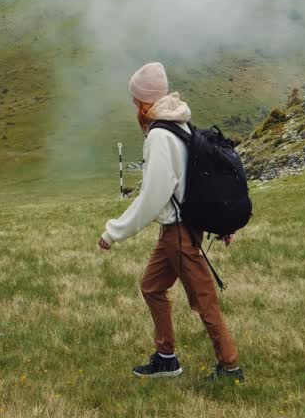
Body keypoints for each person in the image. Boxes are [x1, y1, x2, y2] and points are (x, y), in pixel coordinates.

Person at [98, 61, 244, 383]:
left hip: (178, 233)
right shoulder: (180, 125)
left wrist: (114, 232)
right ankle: (166, 358)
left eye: (136, 101)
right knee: (151, 286)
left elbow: (153, 196)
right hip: (175, 233)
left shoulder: (161, 135)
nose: (135, 107)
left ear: (144, 101)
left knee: (203, 299)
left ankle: (230, 366)